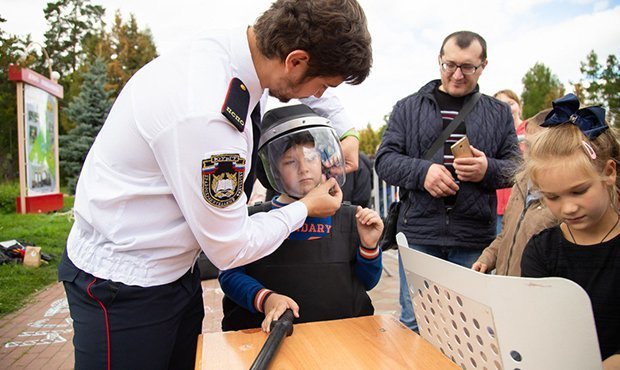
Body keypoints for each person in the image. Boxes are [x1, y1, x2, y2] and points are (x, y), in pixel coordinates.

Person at [57, 1, 372, 369]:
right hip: (125, 286)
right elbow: (229, 248)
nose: (318, 96)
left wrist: (347, 132)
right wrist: (304, 207)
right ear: (296, 61)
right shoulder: (208, 115)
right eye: (322, 85)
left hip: (175, 272)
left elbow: (310, 89)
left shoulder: (241, 56)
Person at [374, 30, 519, 331]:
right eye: (449, 64)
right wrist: (422, 172)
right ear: (439, 60)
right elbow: (384, 161)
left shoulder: (499, 112)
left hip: (473, 237)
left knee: (472, 327)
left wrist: (486, 169)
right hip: (419, 234)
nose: (456, 74)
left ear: (483, 66)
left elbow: (518, 167)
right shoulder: (407, 107)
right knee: (415, 322)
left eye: (468, 67)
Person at [219, 104, 383, 332]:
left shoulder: (350, 218)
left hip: (342, 340)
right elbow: (229, 276)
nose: (304, 168)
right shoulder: (255, 220)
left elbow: (367, 282)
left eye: (311, 157)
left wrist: (369, 245)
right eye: (290, 162)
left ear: (324, 160)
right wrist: (265, 299)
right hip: (269, 341)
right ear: (273, 171)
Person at [520, 94, 620, 367]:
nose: (568, 208)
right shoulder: (541, 251)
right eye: (552, 197)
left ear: (609, 172)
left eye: (579, 191)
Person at [472, 108, 558, 276]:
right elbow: (505, 235)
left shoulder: (561, 201)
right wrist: (487, 258)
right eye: (527, 145)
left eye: (538, 147)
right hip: (506, 286)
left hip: (533, 291)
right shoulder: (520, 184)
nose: (527, 154)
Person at [494, 89, 526, 234]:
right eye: (501, 104)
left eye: (510, 103)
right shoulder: (494, 135)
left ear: (519, 106)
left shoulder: (531, 130)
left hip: (522, 203)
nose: (507, 108)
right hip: (498, 206)